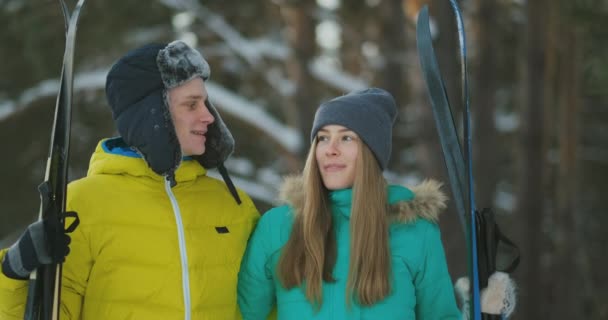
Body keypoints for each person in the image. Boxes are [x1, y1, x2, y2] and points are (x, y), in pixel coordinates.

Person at [0, 40, 259, 319]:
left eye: (206, 103)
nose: (208, 116)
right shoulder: (83, 203)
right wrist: (14, 273)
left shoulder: (234, 204)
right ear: (151, 114)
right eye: (191, 104)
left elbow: (266, 305)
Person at [237, 88, 462, 319]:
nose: (331, 150)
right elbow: (241, 313)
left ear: (371, 152)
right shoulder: (278, 227)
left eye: (346, 138)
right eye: (323, 138)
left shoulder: (414, 230)